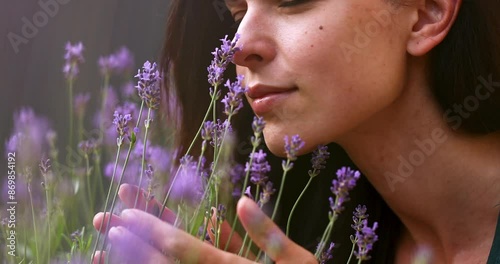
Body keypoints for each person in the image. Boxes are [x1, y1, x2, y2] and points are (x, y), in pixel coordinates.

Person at [93, 0, 500, 263]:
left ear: (427, 13)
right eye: (238, 12)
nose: (238, 47)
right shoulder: (325, 237)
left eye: (290, 2)